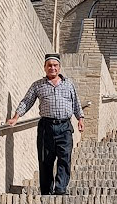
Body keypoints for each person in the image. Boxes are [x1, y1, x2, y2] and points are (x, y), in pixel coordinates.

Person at [7, 53, 84, 195]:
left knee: (64, 157)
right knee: (45, 160)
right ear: (44, 68)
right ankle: (46, 191)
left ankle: (60, 189)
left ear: (59, 68)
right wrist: (15, 118)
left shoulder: (69, 84)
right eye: (49, 66)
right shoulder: (38, 85)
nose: (52, 68)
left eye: (55, 65)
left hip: (65, 126)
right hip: (46, 127)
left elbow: (76, 103)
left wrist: (80, 118)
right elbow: (27, 101)